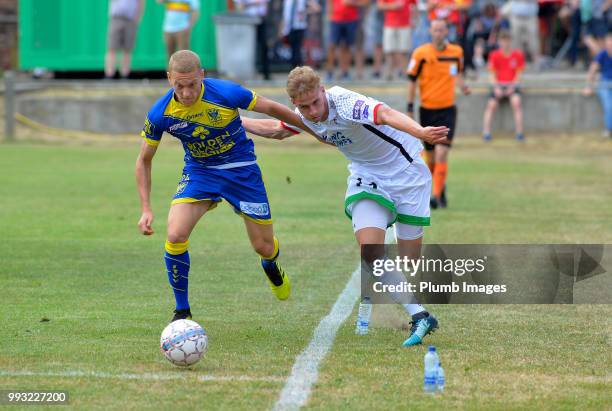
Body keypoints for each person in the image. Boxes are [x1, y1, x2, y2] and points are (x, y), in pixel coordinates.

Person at [241, 66, 449, 347]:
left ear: (323, 91)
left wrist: (420, 130)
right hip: (368, 176)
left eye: (316, 102)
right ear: (295, 104)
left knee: (409, 261)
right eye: (304, 106)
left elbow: (386, 114)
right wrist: (237, 122)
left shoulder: (346, 102)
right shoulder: (304, 115)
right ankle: (421, 316)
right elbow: (278, 130)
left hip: (407, 173)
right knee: (372, 252)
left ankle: (372, 285)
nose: (313, 111)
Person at [136, 50, 312, 322]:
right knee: (175, 234)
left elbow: (271, 108)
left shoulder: (226, 93)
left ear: (202, 76)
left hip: (241, 171)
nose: (185, 92)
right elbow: (144, 160)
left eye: (192, 84)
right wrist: (146, 208)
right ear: (169, 78)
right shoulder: (160, 113)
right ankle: (182, 311)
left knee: (263, 247)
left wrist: (311, 125)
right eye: (178, 85)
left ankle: (271, 263)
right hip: (200, 173)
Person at [407, 18, 470, 209]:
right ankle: (440, 190)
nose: (438, 34)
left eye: (442, 30)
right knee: (431, 158)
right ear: (430, 32)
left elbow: (457, 73)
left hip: (447, 109)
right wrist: (409, 107)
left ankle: (434, 197)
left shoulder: (456, 52)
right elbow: (412, 80)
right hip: (427, 109)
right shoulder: (420, 54)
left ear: (447, 32)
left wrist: (463, 86)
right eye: (435, 30)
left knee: (442, 153)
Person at [482, 30, 525, 141]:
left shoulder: (518, 55)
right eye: (503, 40)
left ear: (510, 41)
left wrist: (512, 87)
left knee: (516, 102)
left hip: (512, 85)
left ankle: (519, 133)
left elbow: (519, 75)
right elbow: (492, 75)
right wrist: (496, 87)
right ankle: (486, 133)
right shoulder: (494, 55)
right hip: (499, 85)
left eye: (507, 40)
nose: (505, 43)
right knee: (491, 105)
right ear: (499, 42)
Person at [326, 0, 369, 80]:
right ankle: (330, 71)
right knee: (332, 46)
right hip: (336, 19)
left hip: (351, 20)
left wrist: (353, 3)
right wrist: (330, 16)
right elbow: (330, 3)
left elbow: (365, 2)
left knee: (347, 47)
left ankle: (345, 72)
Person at [105, 0, 145, 79]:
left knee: (128, 48)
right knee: (111, 47)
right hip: (116, 17)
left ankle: (125, 74)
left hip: (130, 19)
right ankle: (109, 74)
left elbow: (141, 2)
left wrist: (138, 17)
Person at [378, 0, 416, 80]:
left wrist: (414, 20)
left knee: (404, 51)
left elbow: (414, 6)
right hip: (390, 24)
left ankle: (405, 72)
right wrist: (393, 6)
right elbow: (380, 6)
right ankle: (389, 73)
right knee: (389, 51)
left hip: (405, 24)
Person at [584, 31, 612, 138]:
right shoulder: (602, 54)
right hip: (605, 83)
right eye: (609, 43)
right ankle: (608, 129)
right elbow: (592, 71)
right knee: (609, 105)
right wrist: (588, 86)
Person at [235, 0, 271, 80]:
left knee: (264, 47)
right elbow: (239, 7)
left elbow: (267, 7)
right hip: (247, 21)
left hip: (261, 20)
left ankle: (266, 74)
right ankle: (245, 73)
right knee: (246, 48)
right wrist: (254, 4)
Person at [281, 0, 321, 68]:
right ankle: (294, 70)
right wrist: (282, 29)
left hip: (299, 27)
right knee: (292, 50)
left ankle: (298, 70)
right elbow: (285, 15)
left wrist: (305, 12)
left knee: (298, 50)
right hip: (288, 29)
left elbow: (317, 8)